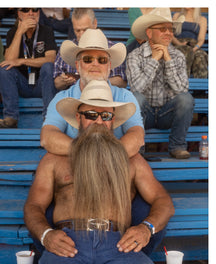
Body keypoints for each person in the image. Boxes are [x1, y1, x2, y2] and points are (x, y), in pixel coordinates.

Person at [24, 80, 174, 264]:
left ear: (113, 120)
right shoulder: (54, 160)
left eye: (105, 116)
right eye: (91, 115)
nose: (99, 121)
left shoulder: (132, 161)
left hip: (118, 244)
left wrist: (146, 228)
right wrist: (46, 235)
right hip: (68, 242)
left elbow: (163, 201)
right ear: (78, 118)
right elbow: (34, 206)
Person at [41, 28, 144, 158]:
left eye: (102, 60)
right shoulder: (61, 98)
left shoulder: (125, 97)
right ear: (77, 65)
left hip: (114, 162)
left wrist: (109, 156)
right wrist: (87, 152)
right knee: (49, 161)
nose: (95, 64)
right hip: (76, 162)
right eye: (88, 59)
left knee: (138, 161)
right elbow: (48, 136)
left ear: (109, 66)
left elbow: (136, 134)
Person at [126, 7, 194, 159]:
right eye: (163, 29)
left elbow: (182, 89)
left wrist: (168, 60)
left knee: (186, 99)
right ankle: (138, 149)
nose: (169, 33)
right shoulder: (134, 56)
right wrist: (154, 60)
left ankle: (177, 146)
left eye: (170, 29)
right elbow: (136, 88)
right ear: (149, 33)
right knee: (136, 98)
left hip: (167, 114)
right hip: (145, 114)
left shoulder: (178, 56)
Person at [0, 8, 58, 128]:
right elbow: (9, 61)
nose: (30, 13)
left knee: (48, 66)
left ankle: (49, 118)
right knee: (5, 69)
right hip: (22, 84)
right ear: (19, 14)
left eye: (34, 10)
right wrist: (19, 32)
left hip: (42, 84)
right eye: (25, 10)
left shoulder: (46, 31)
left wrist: (23, 61)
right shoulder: (12, 32)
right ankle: (11, 117)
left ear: (39, 13)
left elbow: (51, 59)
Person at [53, 8, 127, 90]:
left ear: (95, 23)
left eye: (85, 30)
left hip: (106, 95)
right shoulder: (67, 50)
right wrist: (63, 80)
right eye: (77, 30)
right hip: (73, 97)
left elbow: (122, 82)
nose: (81, 35)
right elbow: (57, 84)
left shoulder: (110, 49)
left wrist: (92, 80)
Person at [172, 8, 208, 78]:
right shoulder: (177, 16)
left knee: (200, 55)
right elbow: (171, 35)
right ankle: (182, 82)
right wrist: (179, 44)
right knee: (186, 52)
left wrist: (195, 48)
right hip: (179, 44)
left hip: (194, 45)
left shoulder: (202, 19)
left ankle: (200, 86)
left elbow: (201, 39)